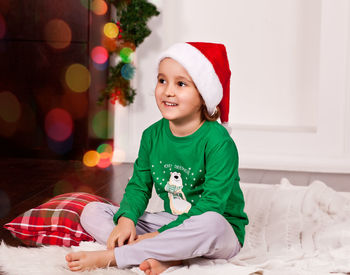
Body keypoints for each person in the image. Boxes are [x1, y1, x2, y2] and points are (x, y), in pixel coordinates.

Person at [65, 42, 249, 274]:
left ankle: (116, 256)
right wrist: (127, 221)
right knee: (92, 212)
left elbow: (212, 205)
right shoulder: (151, 136)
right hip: (172, 220)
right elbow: (139, 186)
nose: (168, 91)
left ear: (203, 95)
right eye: (162, 80)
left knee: (209, 222)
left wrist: (158, 235)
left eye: (181, 83)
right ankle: (171, 255)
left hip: (217, 230)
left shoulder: (218, 142)